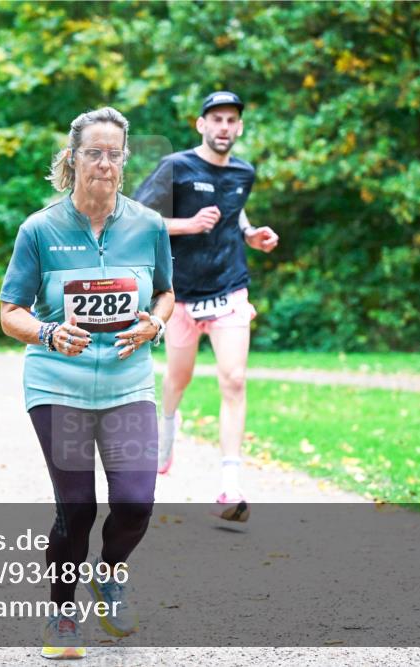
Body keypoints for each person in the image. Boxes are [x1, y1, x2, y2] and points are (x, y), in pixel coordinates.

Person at [0, 107, 174, 660]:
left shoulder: (148, 226)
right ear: (72, 159)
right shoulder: (40, 229)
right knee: (76, 508)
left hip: (128, 385)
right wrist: (50, 334)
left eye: (114, 154)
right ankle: (62, 612)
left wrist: (157, 322)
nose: (104, 163)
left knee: (135, 502)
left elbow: (167, 293)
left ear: (125, 160)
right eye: (93, 152)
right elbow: (10, 312)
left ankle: (111, 573)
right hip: (59, 386)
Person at [133, 91, 279, 521]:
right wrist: (188, 225)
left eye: (232, 120)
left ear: (240, 127)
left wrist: (251, 234)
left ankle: (230, 484)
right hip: (179, 294)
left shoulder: (243, 172)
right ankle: (166, 436)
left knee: (234, 380)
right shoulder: (176, 166)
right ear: (201, 125)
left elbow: (235, 212)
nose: (224, 127)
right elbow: (138, 217)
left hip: (230, 288)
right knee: (178, 379)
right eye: (216, 119)